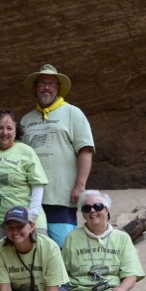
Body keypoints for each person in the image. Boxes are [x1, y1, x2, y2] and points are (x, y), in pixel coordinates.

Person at [21, 64, 95, 247]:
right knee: (35, 249)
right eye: (42, 83)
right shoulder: (26, 120)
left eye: (51, 84)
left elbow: (85, 149)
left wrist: (80, 185)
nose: (46, 87)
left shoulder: (72, 113)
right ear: (35, 87)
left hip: (61, 195)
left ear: (58, 88)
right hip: (31, 197)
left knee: (62, 247)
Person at [0, 109, 48, 262]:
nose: (4, 132)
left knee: (38, 262)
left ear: (16, 130)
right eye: (0, 128)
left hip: (28, 218)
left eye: (9, 128)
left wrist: (32, 216)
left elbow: (38, 185)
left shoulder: (26, 151)